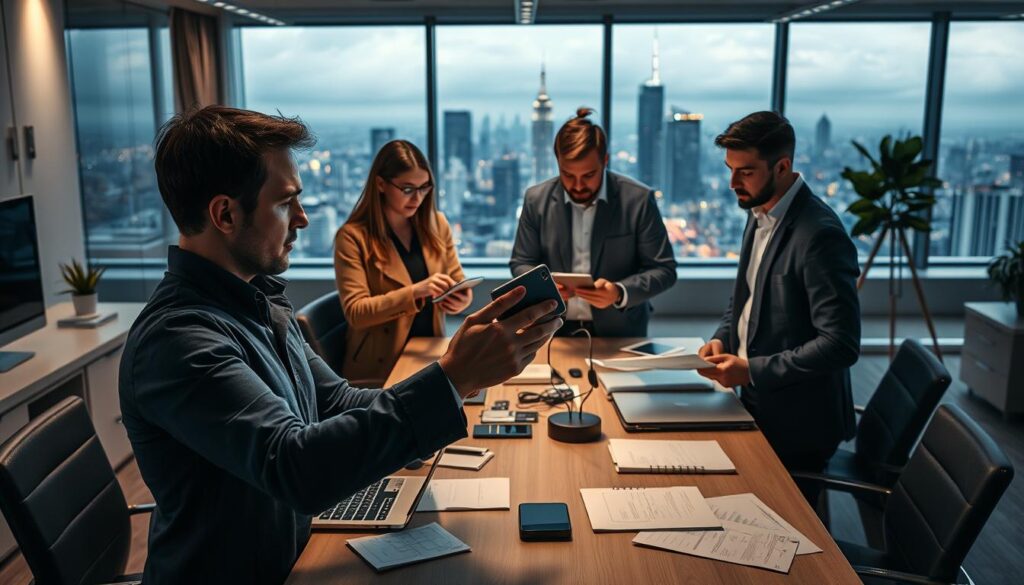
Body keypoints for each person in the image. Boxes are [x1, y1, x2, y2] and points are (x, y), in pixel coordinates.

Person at [119, 105, 562, 584]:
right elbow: (295, 468)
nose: (304, 219)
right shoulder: (180, 341)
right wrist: (451, 379)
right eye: (286, 203)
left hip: (295, 558)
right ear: (225, 213)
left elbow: (338, 401)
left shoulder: (259, 305)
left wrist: (461, 385)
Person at [696, 111, 861, 483]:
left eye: (746, 171)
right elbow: (747, 298)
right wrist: (723, 336)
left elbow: (841, 344)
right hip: (752, 400)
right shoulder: (759, 212)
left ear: (782, 166)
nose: (732, 182)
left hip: (795, 424)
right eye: (729, 169)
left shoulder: (820, 235)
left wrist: (751, 370)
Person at [510, 107, 677, 337]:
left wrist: (619, 292)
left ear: (606, 160)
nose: (578, 186)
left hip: (620, 332)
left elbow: (664, 270)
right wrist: (545, 286)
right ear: (557, 162)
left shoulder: (638, 200)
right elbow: (520, 262)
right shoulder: (536, 199)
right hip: (551, 331)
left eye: (588, 175)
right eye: (568, 175)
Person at [335, 140, 470, 386]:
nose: (417, 198)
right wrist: (416, 291)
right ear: (381, 184)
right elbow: (356, 312)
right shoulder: (352, 237)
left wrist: (460, 299)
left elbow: (457, 281)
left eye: (424, 188)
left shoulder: (437, 224)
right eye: (408, 189)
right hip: (381, 366)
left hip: (430, 353)